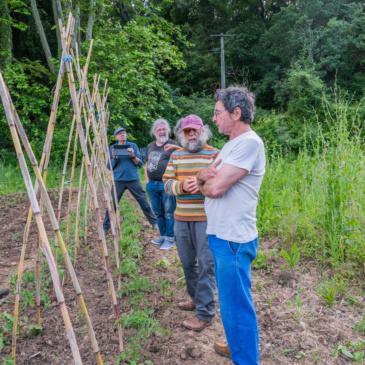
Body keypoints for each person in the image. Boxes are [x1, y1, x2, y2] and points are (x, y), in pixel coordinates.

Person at [196, 86, 265, 364]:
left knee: (236, 305)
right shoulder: (229, 145)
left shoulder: (250, 143)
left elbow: (214, 188)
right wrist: (203, 177)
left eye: (217, 112)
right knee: (230, 301)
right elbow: (204, 179)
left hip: (233, 239)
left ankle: (246, 359)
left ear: (236, 113)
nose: (213, 118)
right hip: (221, 235)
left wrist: (204, 181)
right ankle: (237, 346)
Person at [163, 115, 219, 331]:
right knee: (188, 264)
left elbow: (220, 185)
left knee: (207, 264)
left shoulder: (215, 154)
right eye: (187, 132)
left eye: (195, 130)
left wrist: (202, 186)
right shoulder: (176, 155)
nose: (192, 134)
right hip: (181, 218)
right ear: (181, 135)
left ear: (202, 130)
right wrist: (183, 187)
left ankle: (205, 313)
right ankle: (196, 299)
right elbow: (167, 184)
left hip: (206, 220)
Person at [103, 127, 157, 234]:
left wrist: (133, 155)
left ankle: (154, 223)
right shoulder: (113, 148)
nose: (122, 134)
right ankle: (105, 227)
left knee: (143, 202)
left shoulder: (133, 146)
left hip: (133, 179)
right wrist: (114, 157)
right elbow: (109, 167)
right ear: (116, 137)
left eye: (124, 132)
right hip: (118, 180)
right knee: (112, 203)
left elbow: (140, 163)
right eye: (120, 133)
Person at [145, 119, 179, 250]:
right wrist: (147, 182)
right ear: (155, 132)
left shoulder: (172, 144)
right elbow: (147, 164)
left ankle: (170, 238)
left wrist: (176, 148)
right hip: (152, 184)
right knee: (158, 212)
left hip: (166, 184)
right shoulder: (150, 146)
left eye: (164, 129)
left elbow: (182, 156)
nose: (162, 131)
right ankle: (163, 235)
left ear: (168, 131)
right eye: (159, 129)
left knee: (169, 211)